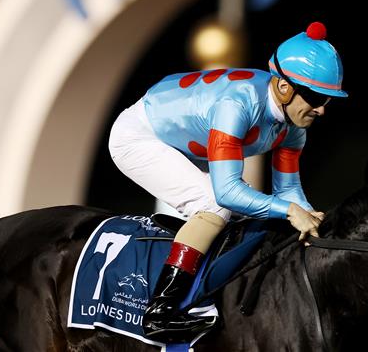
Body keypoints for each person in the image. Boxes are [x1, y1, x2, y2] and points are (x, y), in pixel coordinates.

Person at [108, 21, 347, 340]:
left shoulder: (293, 128)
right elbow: (227, 192)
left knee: (246, 218)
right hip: (139, 137)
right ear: (284, 87)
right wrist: (291, 212)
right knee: (214, 206)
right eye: (315, 97)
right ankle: (159, 311)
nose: (321, 109)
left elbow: (288, 190)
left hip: (186, 144)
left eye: (327, 99)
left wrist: (309, 217)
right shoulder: (236, 105)